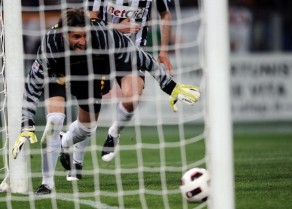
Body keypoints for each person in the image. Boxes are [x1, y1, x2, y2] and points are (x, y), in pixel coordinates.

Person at [11, 8, 200, 195]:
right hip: (58, 73)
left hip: (88, 73)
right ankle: (47, 185)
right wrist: (26, 124)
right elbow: (32, 86)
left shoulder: (103, 35)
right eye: (76, 37)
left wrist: (171, 87)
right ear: (63, 34)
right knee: (54, 121)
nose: (83, 42)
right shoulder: (50, 45)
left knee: (87, 129)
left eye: (85, 36)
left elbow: (144, 59)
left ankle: (65, 140)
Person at [66, 0, 173, 176]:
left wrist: (163, 51)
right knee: (90, 112)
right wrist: (116, 28)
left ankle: (114, 132)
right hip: (100, 51)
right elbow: (89, 20)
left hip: (132, 53)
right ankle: (76, 161)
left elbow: (165, 14)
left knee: (132, 98)